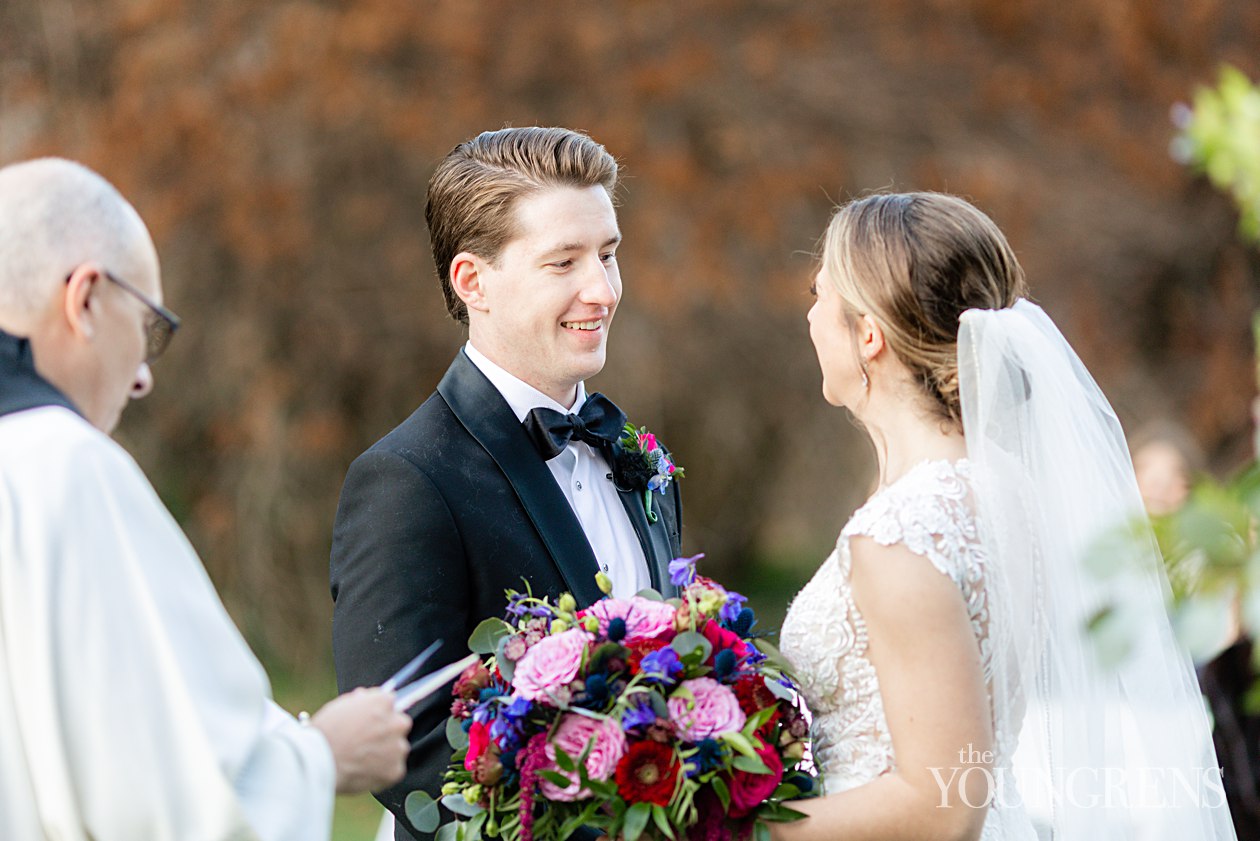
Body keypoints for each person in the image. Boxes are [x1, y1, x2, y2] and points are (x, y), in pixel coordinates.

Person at [777, 192, 1236, 839]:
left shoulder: (901, 534)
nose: (811, 317)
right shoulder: (1009, 494)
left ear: (869, 333)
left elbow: (939, 805)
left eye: (820, 295)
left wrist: (736, 827)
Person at [0, 157, 412, 841]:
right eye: (150, 328)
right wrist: (322, 756)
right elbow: (164, 801)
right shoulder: (64, 467)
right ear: (85, 299)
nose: (141, 379)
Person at [330, 126, 684, 840]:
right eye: (564, 262)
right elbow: (410, 747)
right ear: (473, 281)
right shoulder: (406, 481)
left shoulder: (639, 456)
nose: (603, 290)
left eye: (609, 255)